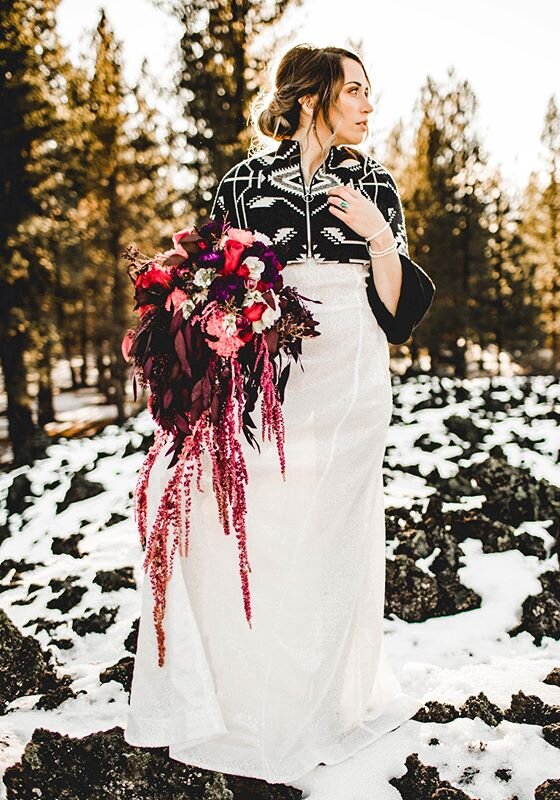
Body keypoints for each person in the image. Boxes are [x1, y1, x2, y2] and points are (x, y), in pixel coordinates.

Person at [124, 43, 435, 785]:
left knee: (332, 532)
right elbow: (215, 277)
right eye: (354, 88)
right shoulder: (244, 180)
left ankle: (323, 701)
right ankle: (243, 691)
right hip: (271, 371)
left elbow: (395, 311)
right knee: (253, 526)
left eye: (368, 89)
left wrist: (379, 235)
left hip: (353, 368)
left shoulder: (375, 182)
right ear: (311, 94)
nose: (367, 102)